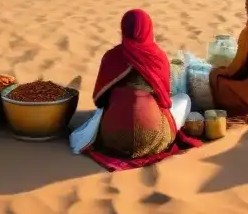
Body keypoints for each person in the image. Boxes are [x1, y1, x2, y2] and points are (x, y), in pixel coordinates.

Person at [70, 9, 193, 165]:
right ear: (149, 29)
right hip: (154, 138)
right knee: (184, 99)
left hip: (111, 139)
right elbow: (165, 101)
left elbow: (99, 100)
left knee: (102, 113)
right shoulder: (158, 57)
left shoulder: (112, 56)